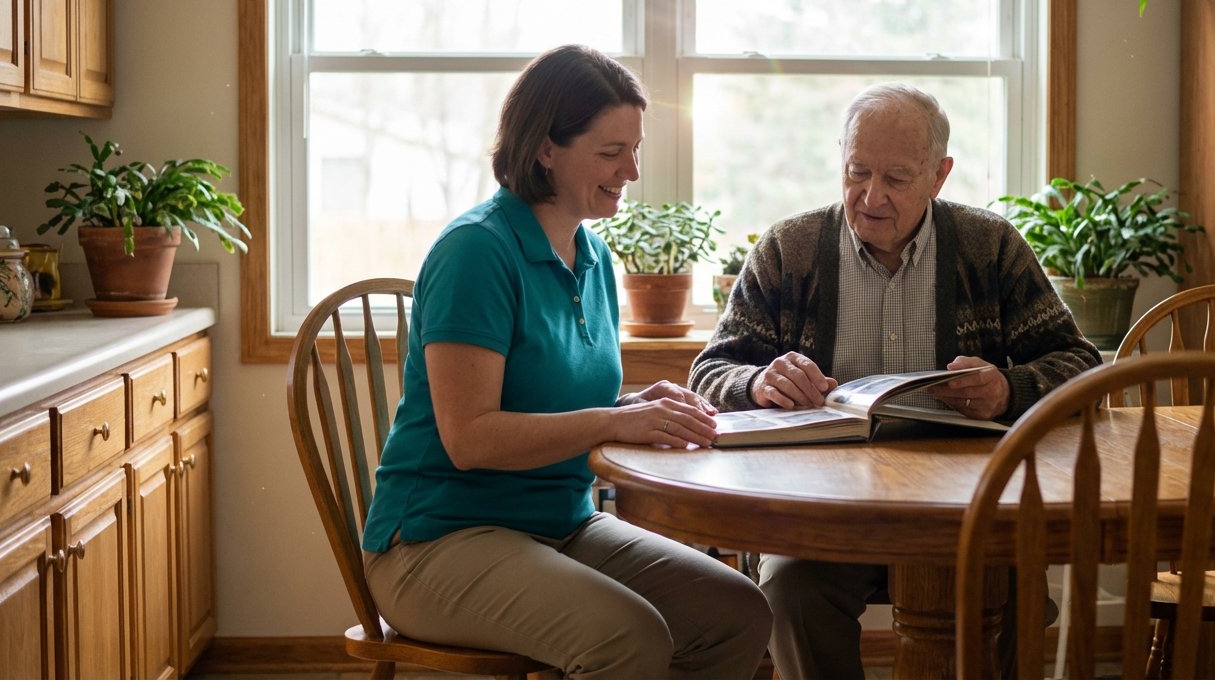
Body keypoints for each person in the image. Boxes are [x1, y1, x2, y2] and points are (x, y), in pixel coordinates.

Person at [361, 44, 772, 679]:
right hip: (436, 541)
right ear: (544, 148)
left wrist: (634, 408)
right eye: (611, 152)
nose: (631, 170)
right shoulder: (476, 252)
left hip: (560, 522)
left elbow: (556, 403)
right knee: (626, 637)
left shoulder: (596, 258)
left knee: (736, 610)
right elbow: (469, 438)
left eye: (635, 149)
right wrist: (611, 423)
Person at [689, 83, 1101, 680]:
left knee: (1015, 586)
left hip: (965, 507)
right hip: (819, 510)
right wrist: (759, 384)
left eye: (897, 179)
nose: (871, 197)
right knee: (789, 587)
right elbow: (708, 374)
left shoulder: (990, 248)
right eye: (857, 172)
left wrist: (1009, 389)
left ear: (940, 175)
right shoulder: (789, 249)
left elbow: (1080, 364)